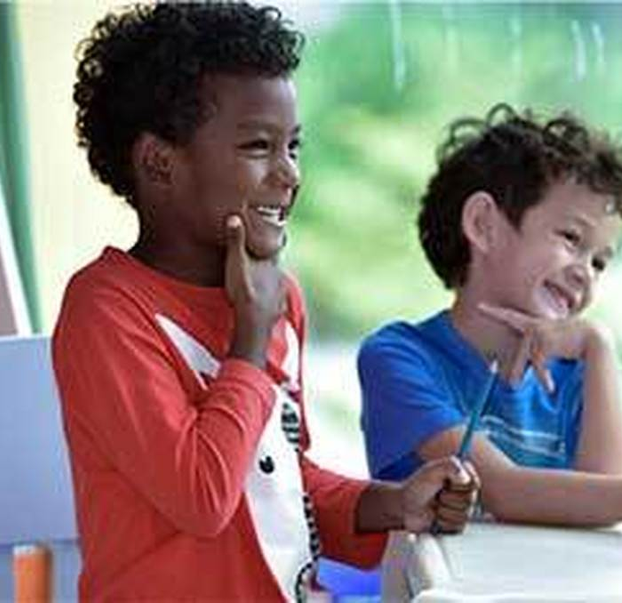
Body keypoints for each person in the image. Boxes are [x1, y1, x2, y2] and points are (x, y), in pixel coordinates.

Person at [52, 3, 478, 601]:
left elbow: (282, 486)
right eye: (258, 147)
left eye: (293, 147)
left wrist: (394, 503)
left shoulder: (279, 299)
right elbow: (203, 497)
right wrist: (250, 338)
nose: (290, 174)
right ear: (158, 162)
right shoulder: (107, 310)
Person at [359, 103, 622, 527]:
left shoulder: (577, 375)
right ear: (483, 224)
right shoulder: (400, 356)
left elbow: (609, 502)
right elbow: (502, 490)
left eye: (599, 262)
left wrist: (599, 346)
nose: (585, 272)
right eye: (571, 238)